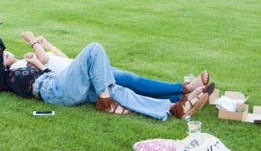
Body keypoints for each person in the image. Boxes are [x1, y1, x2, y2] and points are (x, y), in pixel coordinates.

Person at [0, 18, 209, 120]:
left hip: (62, 83)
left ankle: (173, 108)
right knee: (94, 48)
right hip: (55, 90)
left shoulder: (21, 68)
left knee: (117, 89)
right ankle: (105, 101)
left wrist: (36, 62)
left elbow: (49, 68)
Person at [15, 33, 213, 103]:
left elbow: (65, 59)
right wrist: (32, 41)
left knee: (131, 81)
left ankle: (180, 96)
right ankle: (183, 89)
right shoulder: (23, 65)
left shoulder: (28, 58)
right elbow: (44, 60)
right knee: (130, 81)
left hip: (84, 67)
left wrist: (48, 44)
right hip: (85, 75)